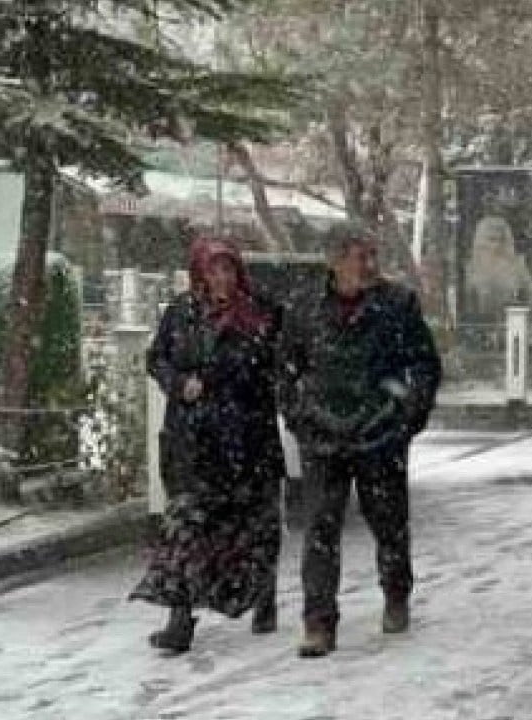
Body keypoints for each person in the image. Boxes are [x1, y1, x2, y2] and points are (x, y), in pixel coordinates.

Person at [280, 221, 443, 658]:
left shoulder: (396, 303)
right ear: (334, 261)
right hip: (323, 436)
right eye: (360, 256)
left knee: (388, 522)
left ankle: (395, 593)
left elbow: (424, 364)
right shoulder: (303, 306)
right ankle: (317, 621)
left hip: (380, 434)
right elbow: (286, 370)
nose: (370, 265)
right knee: (319, 529)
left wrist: (407, 417)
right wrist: (300, 417)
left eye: (373, 255)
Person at [130, 237, 286, 654]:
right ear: (199, 272)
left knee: (252, 524)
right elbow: (156, 358)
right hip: (193, 441)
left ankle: (261, 594)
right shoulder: (181, 312)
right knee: (185, 527)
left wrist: (245, 383)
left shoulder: (260, 313)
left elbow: (279, 365)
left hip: (245, 439)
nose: (222, 278)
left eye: (228, 269)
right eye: (214, 269)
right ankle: (179, 618)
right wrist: (180, 384)